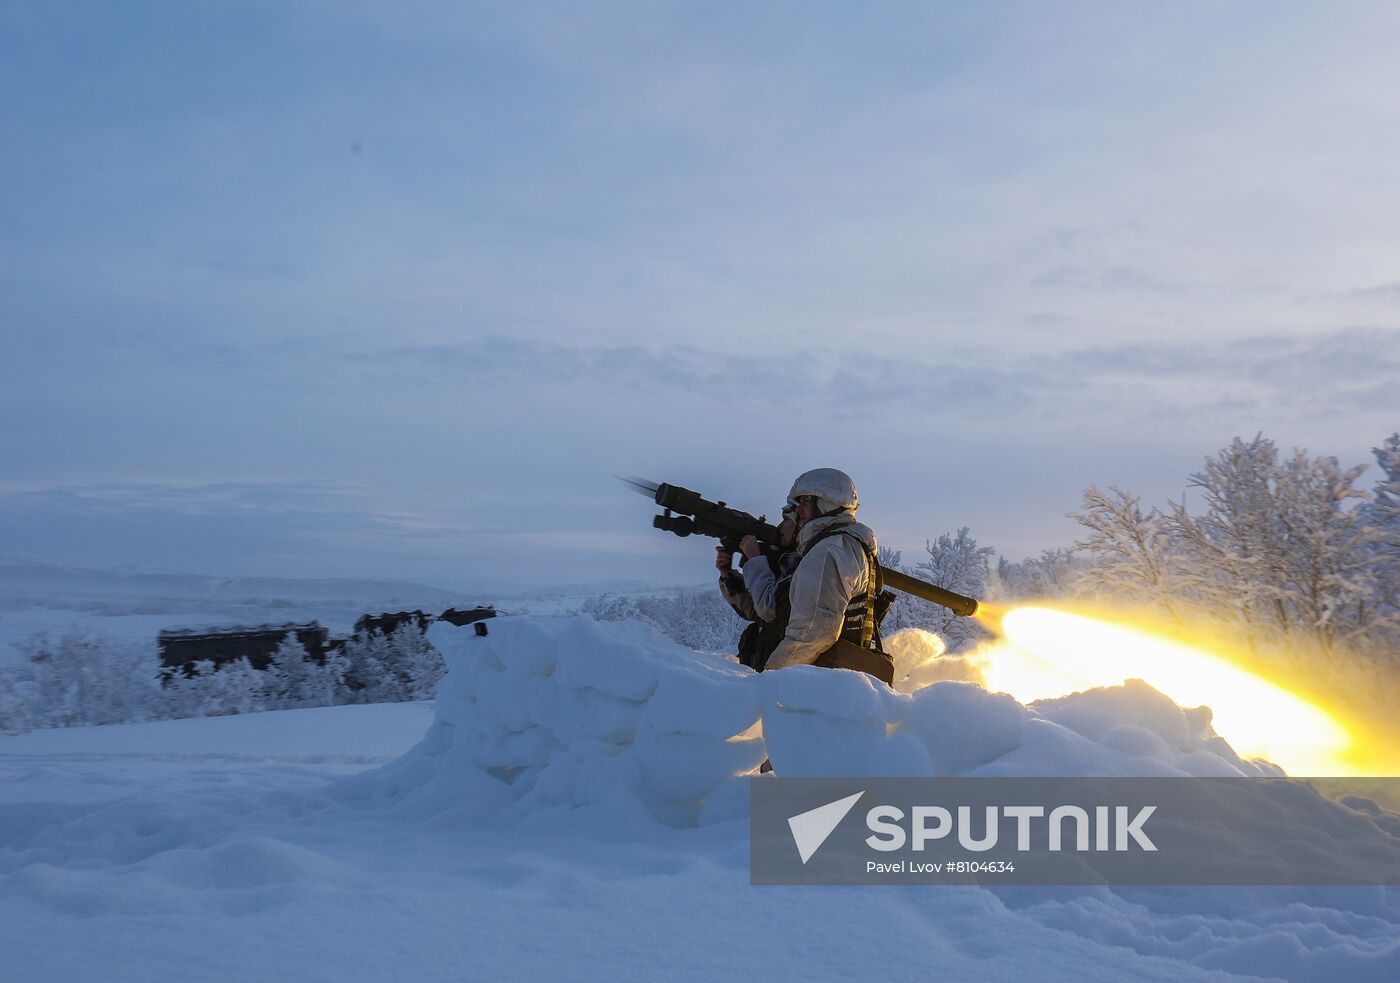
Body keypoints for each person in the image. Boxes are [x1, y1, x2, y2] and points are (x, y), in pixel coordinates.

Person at [763, 468, 894, 685]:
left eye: (805, 501)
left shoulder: (829, 551)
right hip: (843, 683)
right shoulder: (852, 545)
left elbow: (812, 633)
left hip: (820, 686)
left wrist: (768, 680)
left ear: (826, 503)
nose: (799, 510)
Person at [716, 508, 800, 670]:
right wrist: (727, 575)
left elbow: (768, 610)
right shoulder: (784, 561)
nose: (780, 525)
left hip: (778, 673)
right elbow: (754, 611)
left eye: (787, 520)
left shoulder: (800, 565)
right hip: (762, 666)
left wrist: (755, 559)